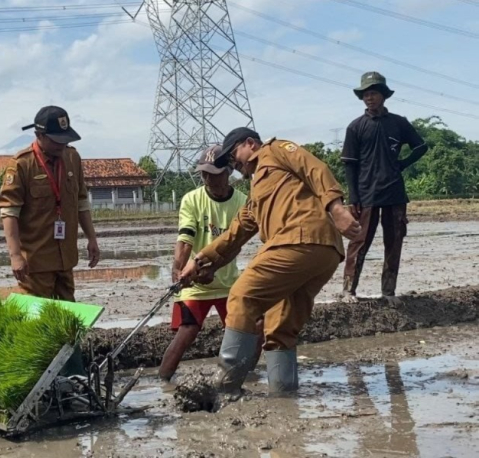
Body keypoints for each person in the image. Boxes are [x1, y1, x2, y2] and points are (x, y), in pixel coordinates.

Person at [179, 127, 361, 395]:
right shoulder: (257, 192)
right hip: (322, 253)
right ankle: (284, 396)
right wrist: (203, 260)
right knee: (279, 327)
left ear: (250, 143)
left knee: (242, 296)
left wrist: (337, 209)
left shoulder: (275, 150)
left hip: (299, 239)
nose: (233, 165)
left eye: (233, 156)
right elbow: (237, 232)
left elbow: (315, 168)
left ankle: (224, 388)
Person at [158, 144, 262, 381]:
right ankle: (163, 381)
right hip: (194, 279)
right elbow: (185, 238)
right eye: (204, 174)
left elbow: (235, 244)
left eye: (215, 174)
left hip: (227, 283)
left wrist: (214, 268)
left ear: (228, 172)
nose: (209, 179)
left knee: (253, 329)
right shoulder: (191, 200)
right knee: (188, 330)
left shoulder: (243, 203)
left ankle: (244, 376)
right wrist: (178, 269)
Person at [341, 72, 429, 305]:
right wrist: (353, 198)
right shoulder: (356, 127)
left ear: (383, 95)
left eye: (374, 93)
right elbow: (349, 165)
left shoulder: (398, 123)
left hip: (394, 193)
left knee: (394, 241)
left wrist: (402, 164)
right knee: (359, 243)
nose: (370, 98)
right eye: (366, 94)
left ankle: (388, 292)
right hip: (366, 194)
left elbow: (421, 146)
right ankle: (349, 290)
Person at [0, 105, 100, 301]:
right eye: (56, 141)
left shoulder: (72, 157)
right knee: (36, 317)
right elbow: (9, 212)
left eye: (65, 139)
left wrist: (92, 239)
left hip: (66, 257)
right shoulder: (22, 164)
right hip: (36, 261)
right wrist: (16, 256)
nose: (61, 145)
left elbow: (81, 202)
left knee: (68, 313)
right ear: (39, 135)